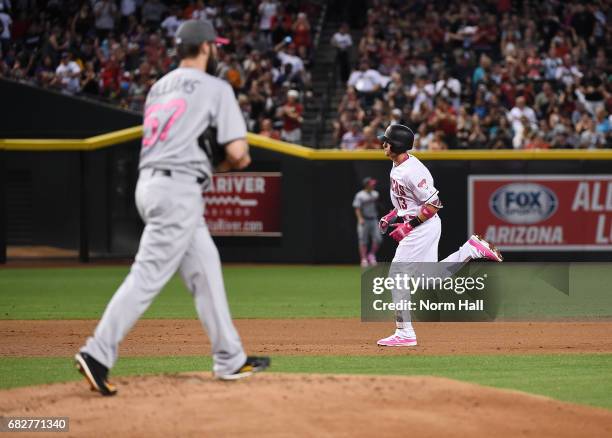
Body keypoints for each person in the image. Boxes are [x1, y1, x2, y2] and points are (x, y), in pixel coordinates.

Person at [75, 19, 270, 396]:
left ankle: (230, 358)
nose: (217, 51)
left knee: (206, 271)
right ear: (207, 48)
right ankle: (96, 352)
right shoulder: (216, 87)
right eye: (215, 46)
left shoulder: (158, 87)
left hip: (151, 184)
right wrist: (233, 158)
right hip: (177, 189)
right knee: (146, 275)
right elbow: (237, 152)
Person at [376, 124, 503, 347]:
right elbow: (408, 202)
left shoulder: (412, 170)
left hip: (422, 228)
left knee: (397, 277)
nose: (382, 143)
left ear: (395, 145)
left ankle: (404, 333)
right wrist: (392, 215)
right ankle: (470, 249)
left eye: (386, 140)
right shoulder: (397, 165)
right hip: (420, 226)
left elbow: (433, 204)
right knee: (427, 280)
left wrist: (408, 226)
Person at [353, 177, 382, 267]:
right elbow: (357, 208)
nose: (373, 185)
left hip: (373, 219)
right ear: (366, 185)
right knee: (363, 240)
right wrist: (360, 218)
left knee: (378, 239)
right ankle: (364, 259)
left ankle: (371, 255)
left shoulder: (375, 194)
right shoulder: (360, 195)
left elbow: (377, 205)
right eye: (371, 184)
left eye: (373, 184)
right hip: (364, 220)